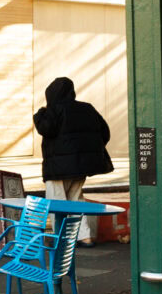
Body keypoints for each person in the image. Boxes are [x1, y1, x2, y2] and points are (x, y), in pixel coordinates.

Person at [34, 76, 114, 240]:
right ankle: (85, 236)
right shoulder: (87, 108)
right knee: (76, 200)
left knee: (57, 201)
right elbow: (104, 132)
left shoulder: (53, 111)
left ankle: (61, 238)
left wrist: (40, 114)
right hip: (80, 166)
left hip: (57, 168)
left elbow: (46, 129)